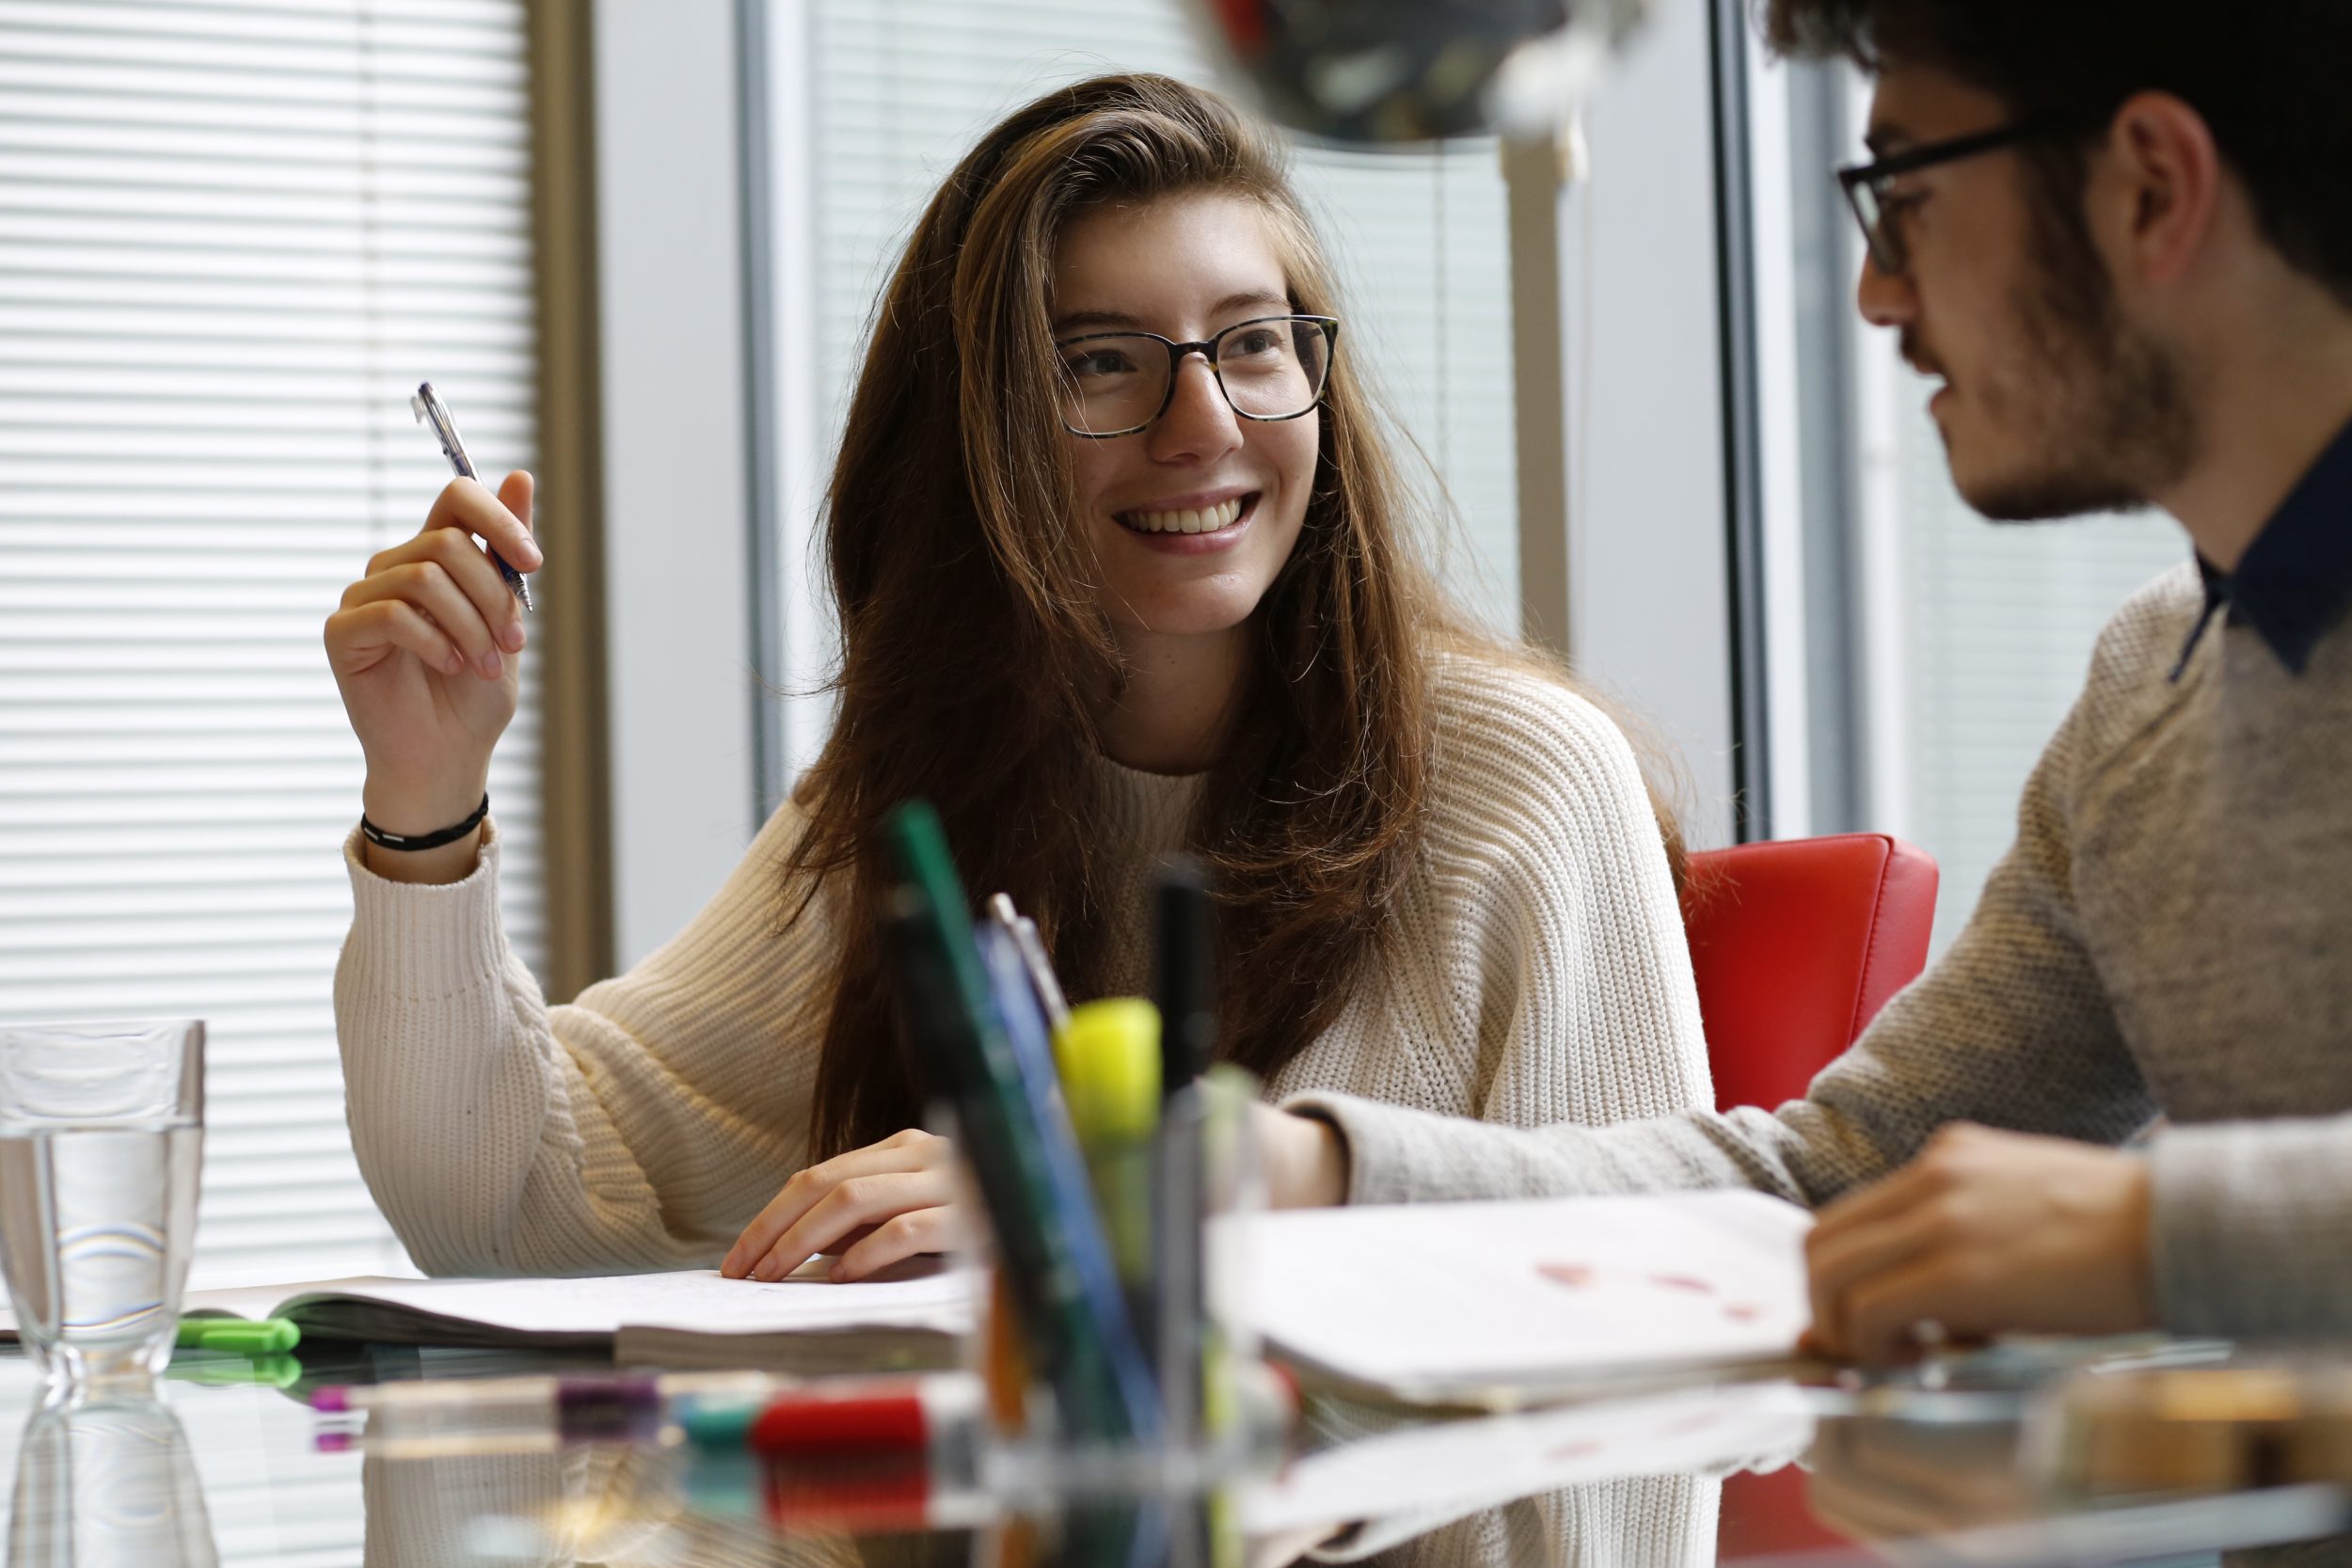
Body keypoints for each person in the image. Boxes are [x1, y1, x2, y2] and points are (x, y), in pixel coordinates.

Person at [324, 73, 1711, 1282]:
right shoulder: (924, 794)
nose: (1204, 424)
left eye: (1251, 343)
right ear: (974, 442)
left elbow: (1642, 1316)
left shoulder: (1528, 780)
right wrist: (426, 797)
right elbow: (503, 1208)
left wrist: (1081, 1210)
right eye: (1099, 362)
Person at [1256, 0, 2352, 1361]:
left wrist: (2149, 1240)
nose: (1874, 295)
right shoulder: (2150, 697)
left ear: (2152, 189)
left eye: (1903, 199)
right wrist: (1298, 1177)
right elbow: (1832, 1184)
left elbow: (2062, 1227)